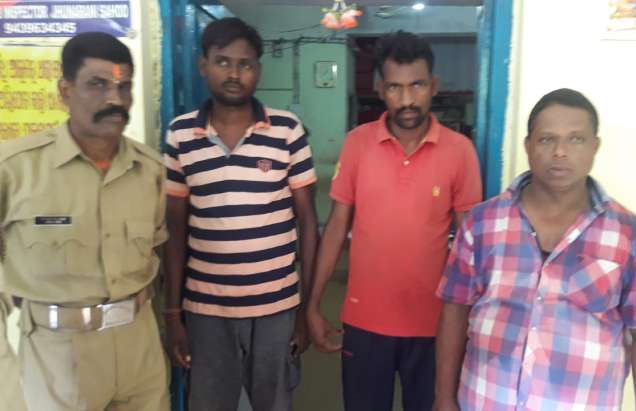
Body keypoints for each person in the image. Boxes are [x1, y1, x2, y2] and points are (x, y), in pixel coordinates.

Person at [434, 88, 636, 411]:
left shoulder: (632, 237)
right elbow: (455, 312)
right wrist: (443, 398)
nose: (560, 152)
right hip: (484, 401)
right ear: (528, 145)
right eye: (546, 139)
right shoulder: (482, 223)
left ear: (595, 147)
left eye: (576, 139)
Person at [307, 31, 483, 411]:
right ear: (379, 89)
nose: (406, 100)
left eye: (416, 85)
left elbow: (472, 244)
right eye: (394, 87)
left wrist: (471, 318)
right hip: (365, 322)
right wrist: (314, 303)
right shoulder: (357, 143)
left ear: (433, 85)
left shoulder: (460, 152)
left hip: (436, 325)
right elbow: (336, 226)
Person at [0, 32, 169, 410]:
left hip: (138, 346)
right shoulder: (15, 169)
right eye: (98, 84)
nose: (115, 99)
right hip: (57, 354)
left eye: (124, 87)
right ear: (65, 91)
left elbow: (156, 251)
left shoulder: (150, 170)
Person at [163, 17, 319, 411]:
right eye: (223, 62)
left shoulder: (287, 130)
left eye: (245, 64)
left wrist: (307, 308)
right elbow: (175, 232)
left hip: (276, 308)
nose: (234, 74)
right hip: (206, 310)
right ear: (204, 65)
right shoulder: (180, 135)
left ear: (258, 70)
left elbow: (308, 224)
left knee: (274, 403)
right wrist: (173, 313)